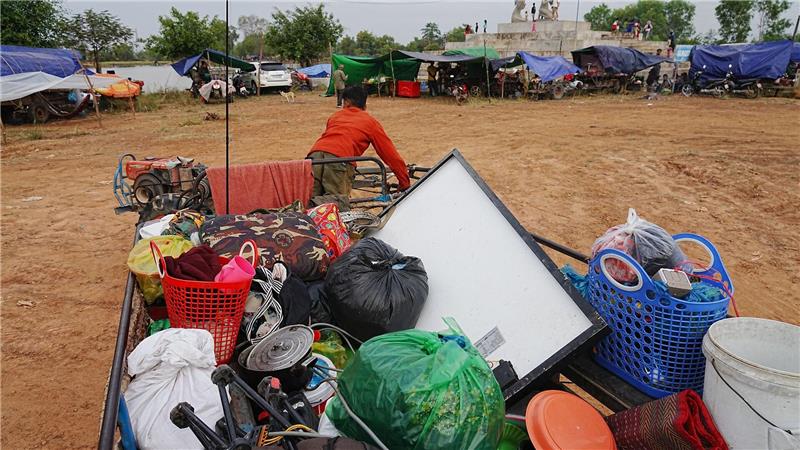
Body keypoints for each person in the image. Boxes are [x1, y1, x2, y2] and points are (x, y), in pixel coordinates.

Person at [307, 86, 410, 202]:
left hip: (314, 156)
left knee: (309, 200)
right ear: (365, 105)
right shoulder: (370, 122)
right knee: (336, 203)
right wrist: (404, 182)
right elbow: (389, 154)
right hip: (340, 159)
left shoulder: (334, 117)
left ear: (346, 102)